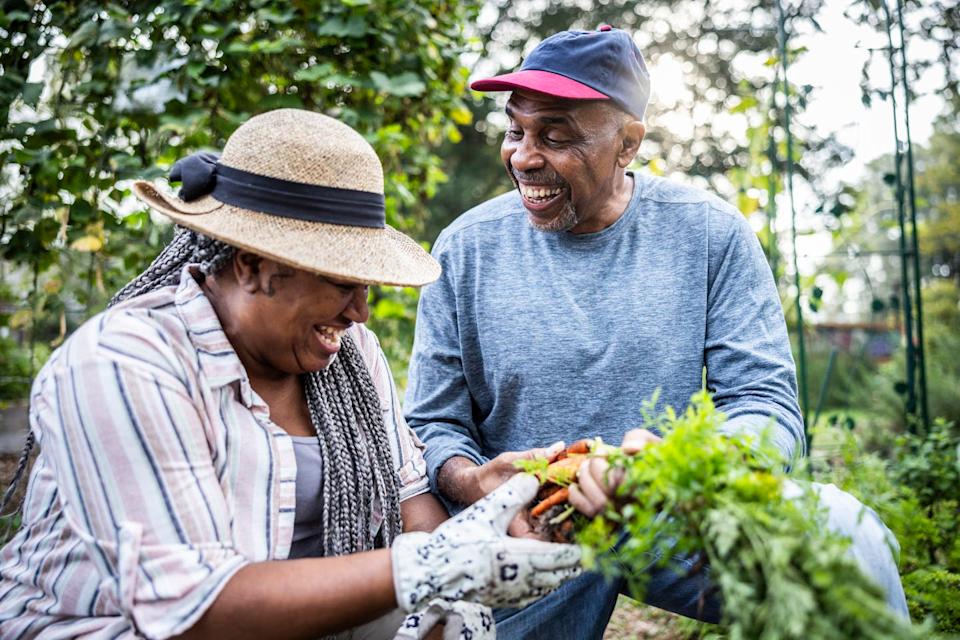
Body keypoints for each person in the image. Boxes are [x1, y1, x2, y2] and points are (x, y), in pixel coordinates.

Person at [0, 109, 581, 640]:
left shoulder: (351, 357)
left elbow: (412, 510)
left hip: (288, 621)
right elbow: (192, 614)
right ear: (253, 264)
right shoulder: (126, 365)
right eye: (339, 281)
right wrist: (430, 567)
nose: (359, 311)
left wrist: (483, 530)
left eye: (366, 285)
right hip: (108, 627)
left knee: (449, 618)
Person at [404, 27, 909, 638]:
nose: (524, 157)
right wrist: (478, 481)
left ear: (628, 145)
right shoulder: (465, 247)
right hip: (527, 528)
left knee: (846, 533)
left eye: (556, 136)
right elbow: (433, 425)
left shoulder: (709, 234)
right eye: (516, 130)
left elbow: (764, 406)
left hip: (675, 514)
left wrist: (671, 473)